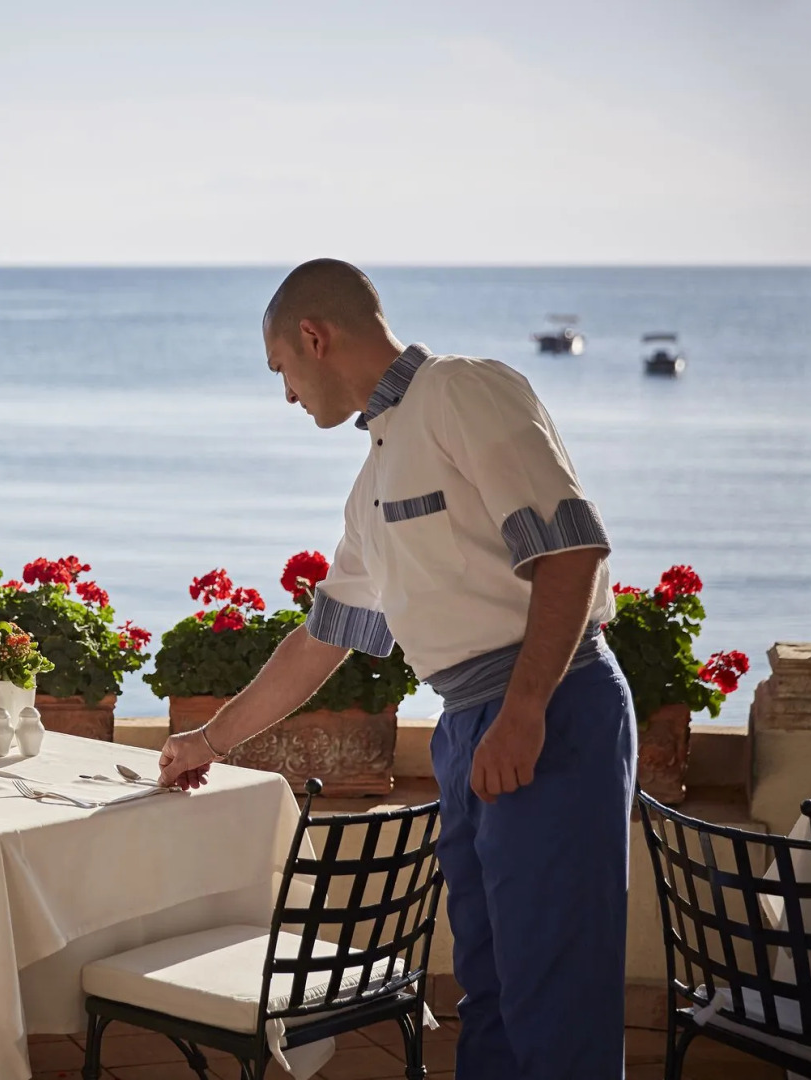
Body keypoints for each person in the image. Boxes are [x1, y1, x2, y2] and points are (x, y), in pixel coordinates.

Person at [157, 259, 636, 1080]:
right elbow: (322, 640)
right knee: (486, 995)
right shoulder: (374, 478)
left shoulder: (463, 390)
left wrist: (524, 712)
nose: (287, 396)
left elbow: (573, 549)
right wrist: (211, 737)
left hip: (547, 709)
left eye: (283, 371)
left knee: (556, 1006)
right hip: (467, 729)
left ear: (314, 337)